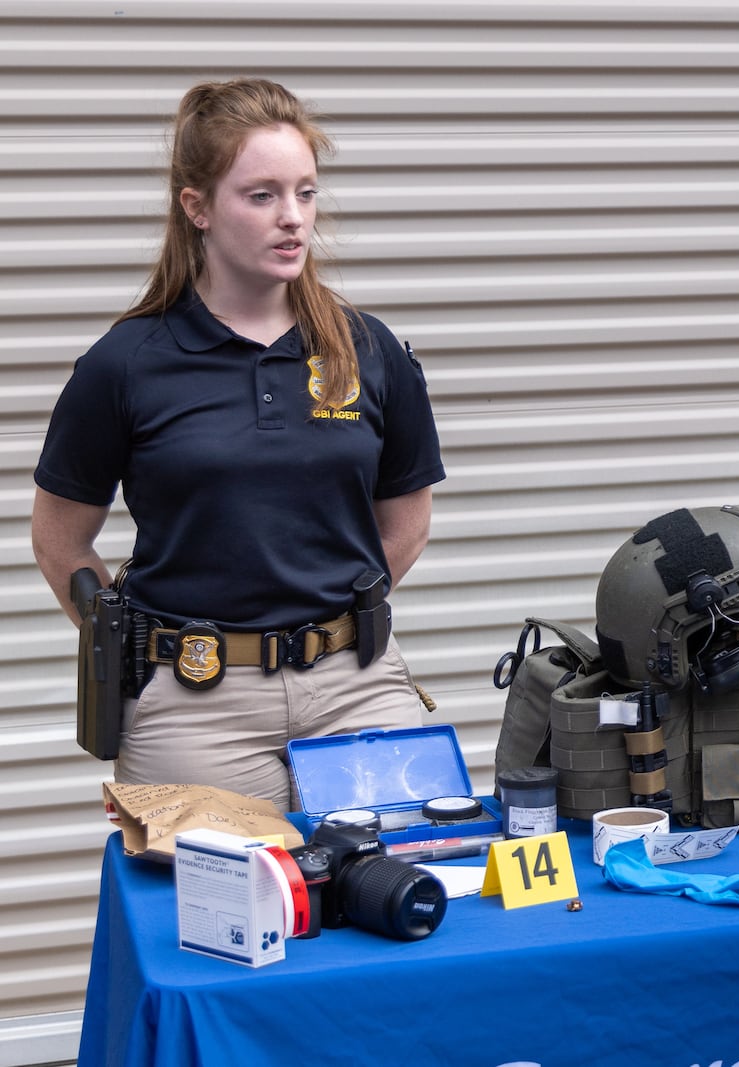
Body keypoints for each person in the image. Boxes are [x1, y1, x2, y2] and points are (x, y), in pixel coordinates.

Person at [32, 78, 445, 812]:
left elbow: (406, 522)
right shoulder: (125, 364)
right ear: (197, 207)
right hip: (196, 705)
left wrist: (332, 613)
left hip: (358, 685)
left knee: (399, 896)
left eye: (306, 193)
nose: (293, 219)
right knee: (223, 919)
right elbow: (60, 539)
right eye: (262, 195)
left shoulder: (366, 350)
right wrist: (123, 648)